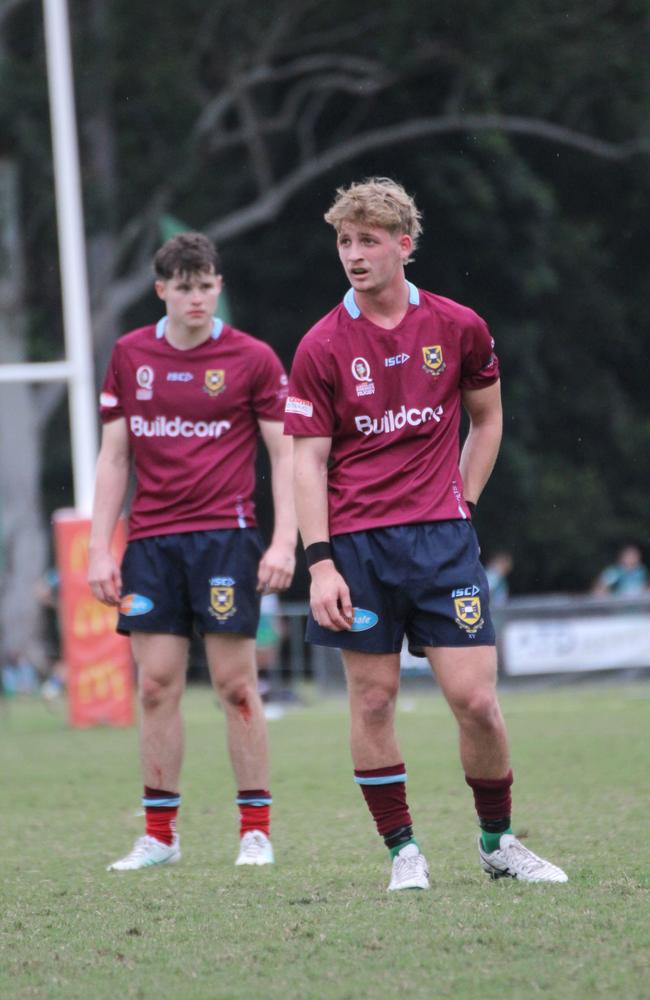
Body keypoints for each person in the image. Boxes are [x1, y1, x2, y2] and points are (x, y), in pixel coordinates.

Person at [284, 177, 567, 890]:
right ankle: (403, 851)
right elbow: (306, 461)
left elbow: (488, 419)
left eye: (369, 241)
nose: (354, 254)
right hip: (358, 548)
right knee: (373, 699)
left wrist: (462, 501)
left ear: (403, 246)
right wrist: (320, 565)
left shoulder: (458, 326)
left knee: (476, 701)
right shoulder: (320, 346)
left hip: (442, 542)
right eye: (345, 241)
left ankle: (498, 842)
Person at [88, 232, 296, 871]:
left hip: (226, 540)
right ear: (162, 291)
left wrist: (285, 540)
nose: (196, 298)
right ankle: (160, 836)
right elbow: (115, 455)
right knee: (154, 687)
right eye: (183, 287)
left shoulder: (253, 358)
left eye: (206, 285)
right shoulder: (129, 355)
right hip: (151, 542)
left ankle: (254, 830)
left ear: (218, 287)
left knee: (236, 687)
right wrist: (101, 548)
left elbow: (284, 452)